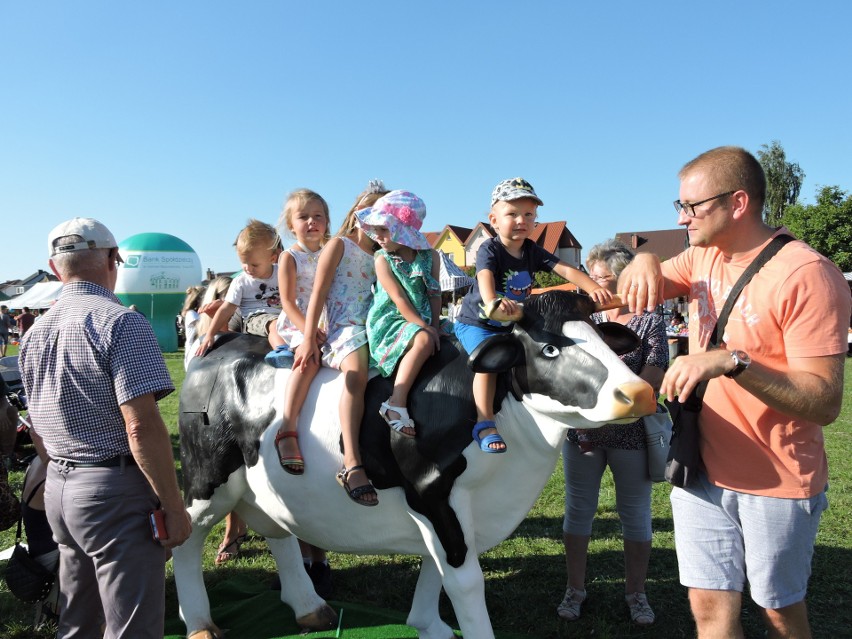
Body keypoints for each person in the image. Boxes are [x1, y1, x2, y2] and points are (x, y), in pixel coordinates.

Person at [620, 146, 851, 638]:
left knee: (779, 612)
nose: (682, 218)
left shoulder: (807, 275)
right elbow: (636, 287)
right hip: (698, 466)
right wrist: (641, 257)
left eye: (692, 207)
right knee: (707, 607)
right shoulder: (703, 255)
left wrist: (734, 362)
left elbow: (825, 402)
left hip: (776, 478)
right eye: (678, 206)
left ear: (738, 203)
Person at [19, 217, 192, 638]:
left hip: (58, 486)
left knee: (78, 618)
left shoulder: (34, 331)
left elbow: (37, 426)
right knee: (132, 625)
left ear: (54, 265)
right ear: (114, 258)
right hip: (112, 489)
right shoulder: (121, 322)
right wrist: (172, 504)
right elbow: (142, 426)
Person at [453, 177, 614, 453]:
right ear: (494, 220)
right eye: (512, 214)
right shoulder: (489, 249)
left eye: (528, 214)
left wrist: (593, 288)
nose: (521, 220)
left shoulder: (532, 250)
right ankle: (484, 423)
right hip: (480, 323)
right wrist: (493, 300)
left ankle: (554, 415)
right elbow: (484, 276)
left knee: (552, 352)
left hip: (512, 323)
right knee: (488, 362)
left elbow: (565, 269)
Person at [557, 239, 668, 625]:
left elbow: (654, 371)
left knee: (635, 515)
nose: (595, 284)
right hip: (584, 432)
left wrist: (617, 399)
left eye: (603, 277)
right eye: (592, 276)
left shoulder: (650, 317)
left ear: (624, 278)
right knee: (579, 510)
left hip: (631, 432)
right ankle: (575, 588)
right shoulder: (583, 320)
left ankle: (636, 593)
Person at [293, 181, 388, 507]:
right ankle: (351, 461)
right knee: (357, 373)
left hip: (373, 325)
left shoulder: (381, 254)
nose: (377, 220)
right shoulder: (339, 245)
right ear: (358, 214)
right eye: (371, 212)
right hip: (344, 327)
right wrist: (308, 337)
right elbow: (317, 292)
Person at [360, 190, 444, 436]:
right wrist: (425, 328)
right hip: (392, 318)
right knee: (424, 339)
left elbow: (435, 293)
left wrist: (436, 324)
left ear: (403, 229)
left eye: (384, 230)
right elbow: (398, 297)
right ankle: (395, 403)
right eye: (376, 230)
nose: (378, 236)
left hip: (423, 317)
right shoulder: (382, 259)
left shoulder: (430, 257)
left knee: (450, 338)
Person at [269, 188, 332, 475]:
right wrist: (309, 330)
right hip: (300, 320)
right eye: (303, 216)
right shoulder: (289, 257)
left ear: (327, 222)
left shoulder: (333, 252)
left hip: (330, 318)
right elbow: (288, 301)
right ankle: (288, 427)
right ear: (291, 225)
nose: (311, 222)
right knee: (308, 362)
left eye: (318, 216)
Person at [196, 219, 284, 357]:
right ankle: (282, 351)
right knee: (274, 325)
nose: (248, 269)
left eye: (254, 265)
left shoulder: (283, 273)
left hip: (284, 315)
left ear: (272, 258)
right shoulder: (241, 282)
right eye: (244, 263)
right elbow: (226, 308)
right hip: (255, 318)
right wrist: (210, 334)